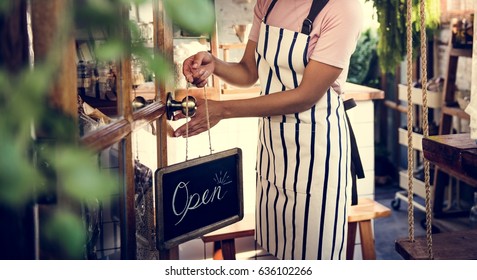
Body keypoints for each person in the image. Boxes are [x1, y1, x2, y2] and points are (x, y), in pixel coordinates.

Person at [173, 0, 364, 260]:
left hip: (317, 156)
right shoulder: (268, 2)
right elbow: (249, 71)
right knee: (278, 253)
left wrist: (223, 110)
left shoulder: (343, 8)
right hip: (274, 152)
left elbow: (306, 95)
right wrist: (214, 64)